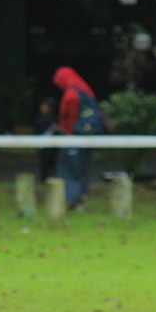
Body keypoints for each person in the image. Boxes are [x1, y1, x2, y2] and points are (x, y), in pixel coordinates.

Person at [52, 66, 100, 210]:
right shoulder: (85, 90)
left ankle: (72, 200)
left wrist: (65, 130)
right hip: (86, 137)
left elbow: (71, 118)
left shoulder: (71, 94)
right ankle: (81, 198)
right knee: (82, 169)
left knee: (70, 169)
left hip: (73, 139)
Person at [35, 96, 59, 182]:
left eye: (45, 107)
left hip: (56, 149)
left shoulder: (57, 120)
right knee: (44, 169)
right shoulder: (39, 121)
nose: (42, 109)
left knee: (56, 169)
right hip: (44, 150)